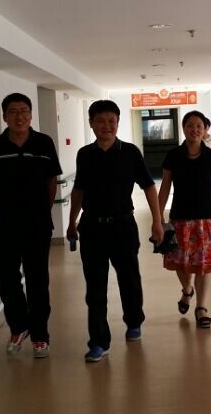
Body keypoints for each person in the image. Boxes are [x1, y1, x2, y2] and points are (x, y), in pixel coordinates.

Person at [66, 100, 165, 362]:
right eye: (100, 121)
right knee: (95, 287)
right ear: (91, 123)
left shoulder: (130, 152)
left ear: (118, 123)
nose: (107, 126)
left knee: (129, 280)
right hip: (92, 227)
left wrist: (157, 220)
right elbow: (79, 190)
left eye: (112, 121)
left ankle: (134, 321)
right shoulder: (85, 154)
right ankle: (99, 341)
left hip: (123, 225)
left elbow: (148, 186)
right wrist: (72, 221)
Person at [0, 93, 62, 359]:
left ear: (31, 114)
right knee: (4, 274)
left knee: (38, 279)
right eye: (13, 111)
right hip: (6, 223)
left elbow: (51, 180)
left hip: (38, 223)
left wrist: (45, 209)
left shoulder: (44, 143)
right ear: (5, 116)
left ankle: (40, 336)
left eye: (24, 111)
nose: (20, 116)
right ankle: (19, 326)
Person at [157, 110, 211, 328]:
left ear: (205, 129)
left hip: (206, 218)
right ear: (183, 128)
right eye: (190, 125)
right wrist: (157, 217)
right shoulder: (173, 155)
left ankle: (201, 307)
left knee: (202, 264)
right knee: (179, 262)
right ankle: (187, 289)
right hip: (179, 217)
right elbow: (164, 188)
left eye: (199, 126)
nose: (195, 129)